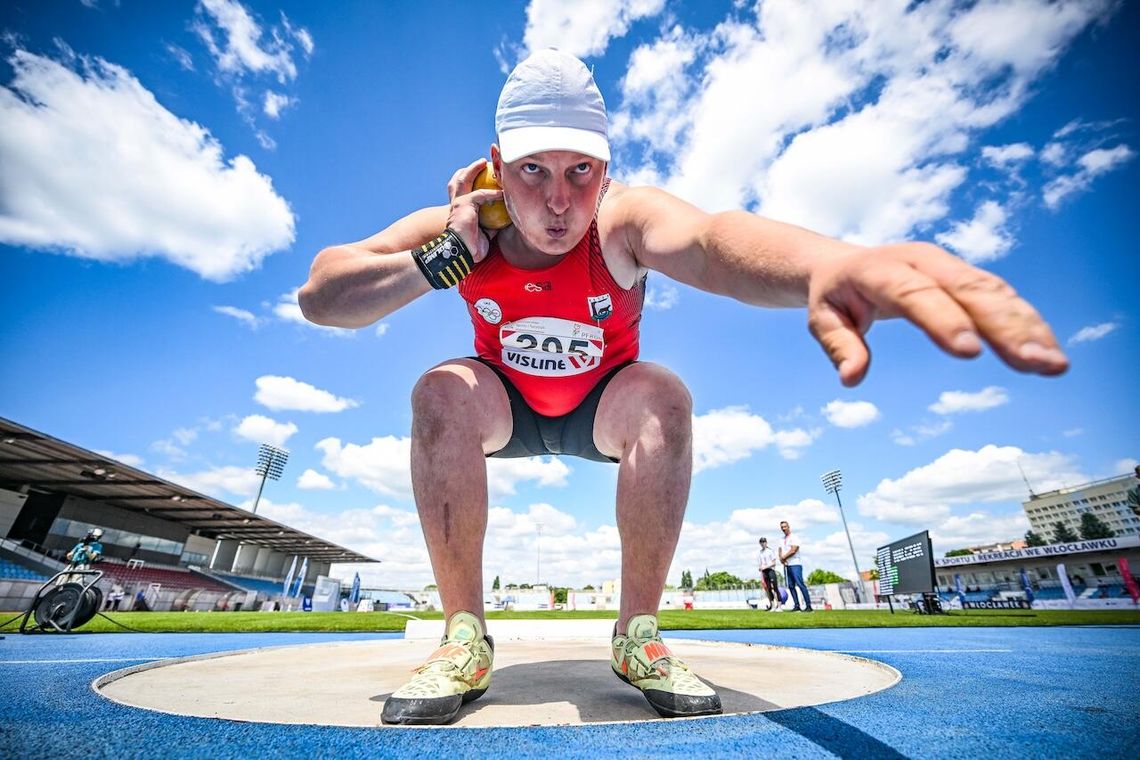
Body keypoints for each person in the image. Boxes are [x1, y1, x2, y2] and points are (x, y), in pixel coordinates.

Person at [299, 49, 1068, 725]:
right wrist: (436, 259)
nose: (559, 201)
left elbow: (709, 241)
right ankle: (464, 636)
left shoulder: (621, 218)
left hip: (604, 402)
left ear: (606, 167)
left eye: (580, 171)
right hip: (504, 401)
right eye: (533, 171)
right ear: (498, 163)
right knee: (439, 389)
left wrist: (822, 265)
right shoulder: (462, 221)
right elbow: (321, 296)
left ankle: (639, 635)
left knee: (664, 393)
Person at [779, 521, 812, 612]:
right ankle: (796, 605)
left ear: (788, 526)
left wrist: (784, 557)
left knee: (800, 584)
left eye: (785, 526)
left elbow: (794, 550)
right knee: (790, 586)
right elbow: (780, 549)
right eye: (782, 527)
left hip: (795, 564)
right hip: (787, 565)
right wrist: (781, 559)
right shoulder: (781, 539)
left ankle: (808, 606)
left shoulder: (794, 537)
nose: (783, 528)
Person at [757, 537, 781, 611]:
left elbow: (774, 563)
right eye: (761, 542)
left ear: (766, 542)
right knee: (769, 589)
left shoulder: (770, 551)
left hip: (771, 570)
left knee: (775, 588)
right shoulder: (760, 552)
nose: (763, 543)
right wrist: (761, 569)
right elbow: (760, 564)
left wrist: (765, 567)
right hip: (764, 572)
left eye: (764, 542)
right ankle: (773, 606)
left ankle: (779, 606)